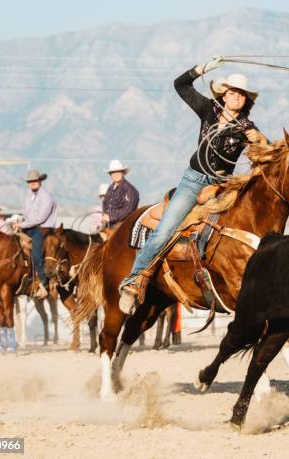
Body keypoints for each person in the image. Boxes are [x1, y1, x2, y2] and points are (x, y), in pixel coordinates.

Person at [118, 57, 266, 311]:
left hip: (221, 187)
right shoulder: (208, 109)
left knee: (226, 232)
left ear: (246, 100)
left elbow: (266, 157)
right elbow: (181, 85)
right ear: (225, 94)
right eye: (233, 92)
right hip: (193, 181)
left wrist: (260, 139)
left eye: (242, 95)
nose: (237, 97)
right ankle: (134, 280)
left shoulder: (247, 128)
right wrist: (203, 68)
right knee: (166, 229)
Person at [13, 169, 57, 300]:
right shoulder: (28, 196)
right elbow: (27, 214)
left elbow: (40, 218)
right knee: (13, 247)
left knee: (36, 254)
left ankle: (44, 284)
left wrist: (22, 225)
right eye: (30, 181)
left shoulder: (46, 197)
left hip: (42, 228)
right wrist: (20, 220)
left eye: (34, 181)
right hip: (29, 227)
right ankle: (25, 278)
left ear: (39, 181)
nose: (32, 183)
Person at [102, 160, 139, 229]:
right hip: (108, 224)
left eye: (118, 171)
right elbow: (105, 203)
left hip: (124, 224)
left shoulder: (130, 190)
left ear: (123, 173)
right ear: (110, 175)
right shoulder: (110, 188)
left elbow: (129, 209)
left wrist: (111, 217)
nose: (115, 174)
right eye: (113, 172)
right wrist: (105, 215)